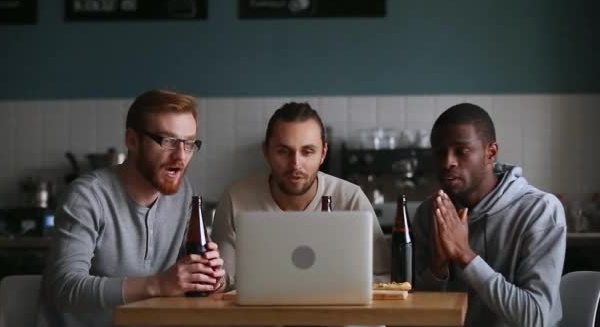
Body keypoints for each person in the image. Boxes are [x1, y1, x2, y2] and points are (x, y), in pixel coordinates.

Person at [38, 90, 226, 327]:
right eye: (168, 141)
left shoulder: (183, 194)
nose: (180, 156)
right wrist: (158, 284)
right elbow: (65, 288)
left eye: (189, 143)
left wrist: (210, 279)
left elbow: (186, 279)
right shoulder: (87, 196)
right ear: (132, 140)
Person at [412, 103, 566, 326]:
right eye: (440, 152)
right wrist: (437, 269)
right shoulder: (430, 212)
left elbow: (536, 318)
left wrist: (465, 256)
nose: (448, 162)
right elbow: (409, 316)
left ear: (490, 152)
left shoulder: (540, 210)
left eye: (461, 151)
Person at [212, 102, 390, 289]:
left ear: (323, 154)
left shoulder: (351, 199)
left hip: (334, 316)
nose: (296, 164)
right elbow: (224, 281)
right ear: (266, 152)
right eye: (283, 151)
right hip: (262, 317)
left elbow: (384, 277)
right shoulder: (235, 198)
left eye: (307, 151)